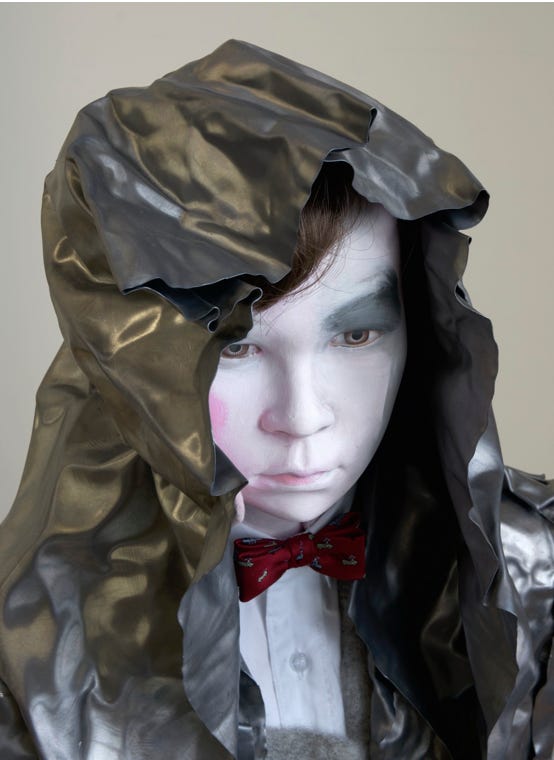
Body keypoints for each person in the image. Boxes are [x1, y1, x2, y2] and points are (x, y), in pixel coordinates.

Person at [0, 39, 552, 760]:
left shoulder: (535, 582)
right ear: (133, 362)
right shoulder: (26, 660)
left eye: (356, 335)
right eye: (236, 348)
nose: (303, 417)